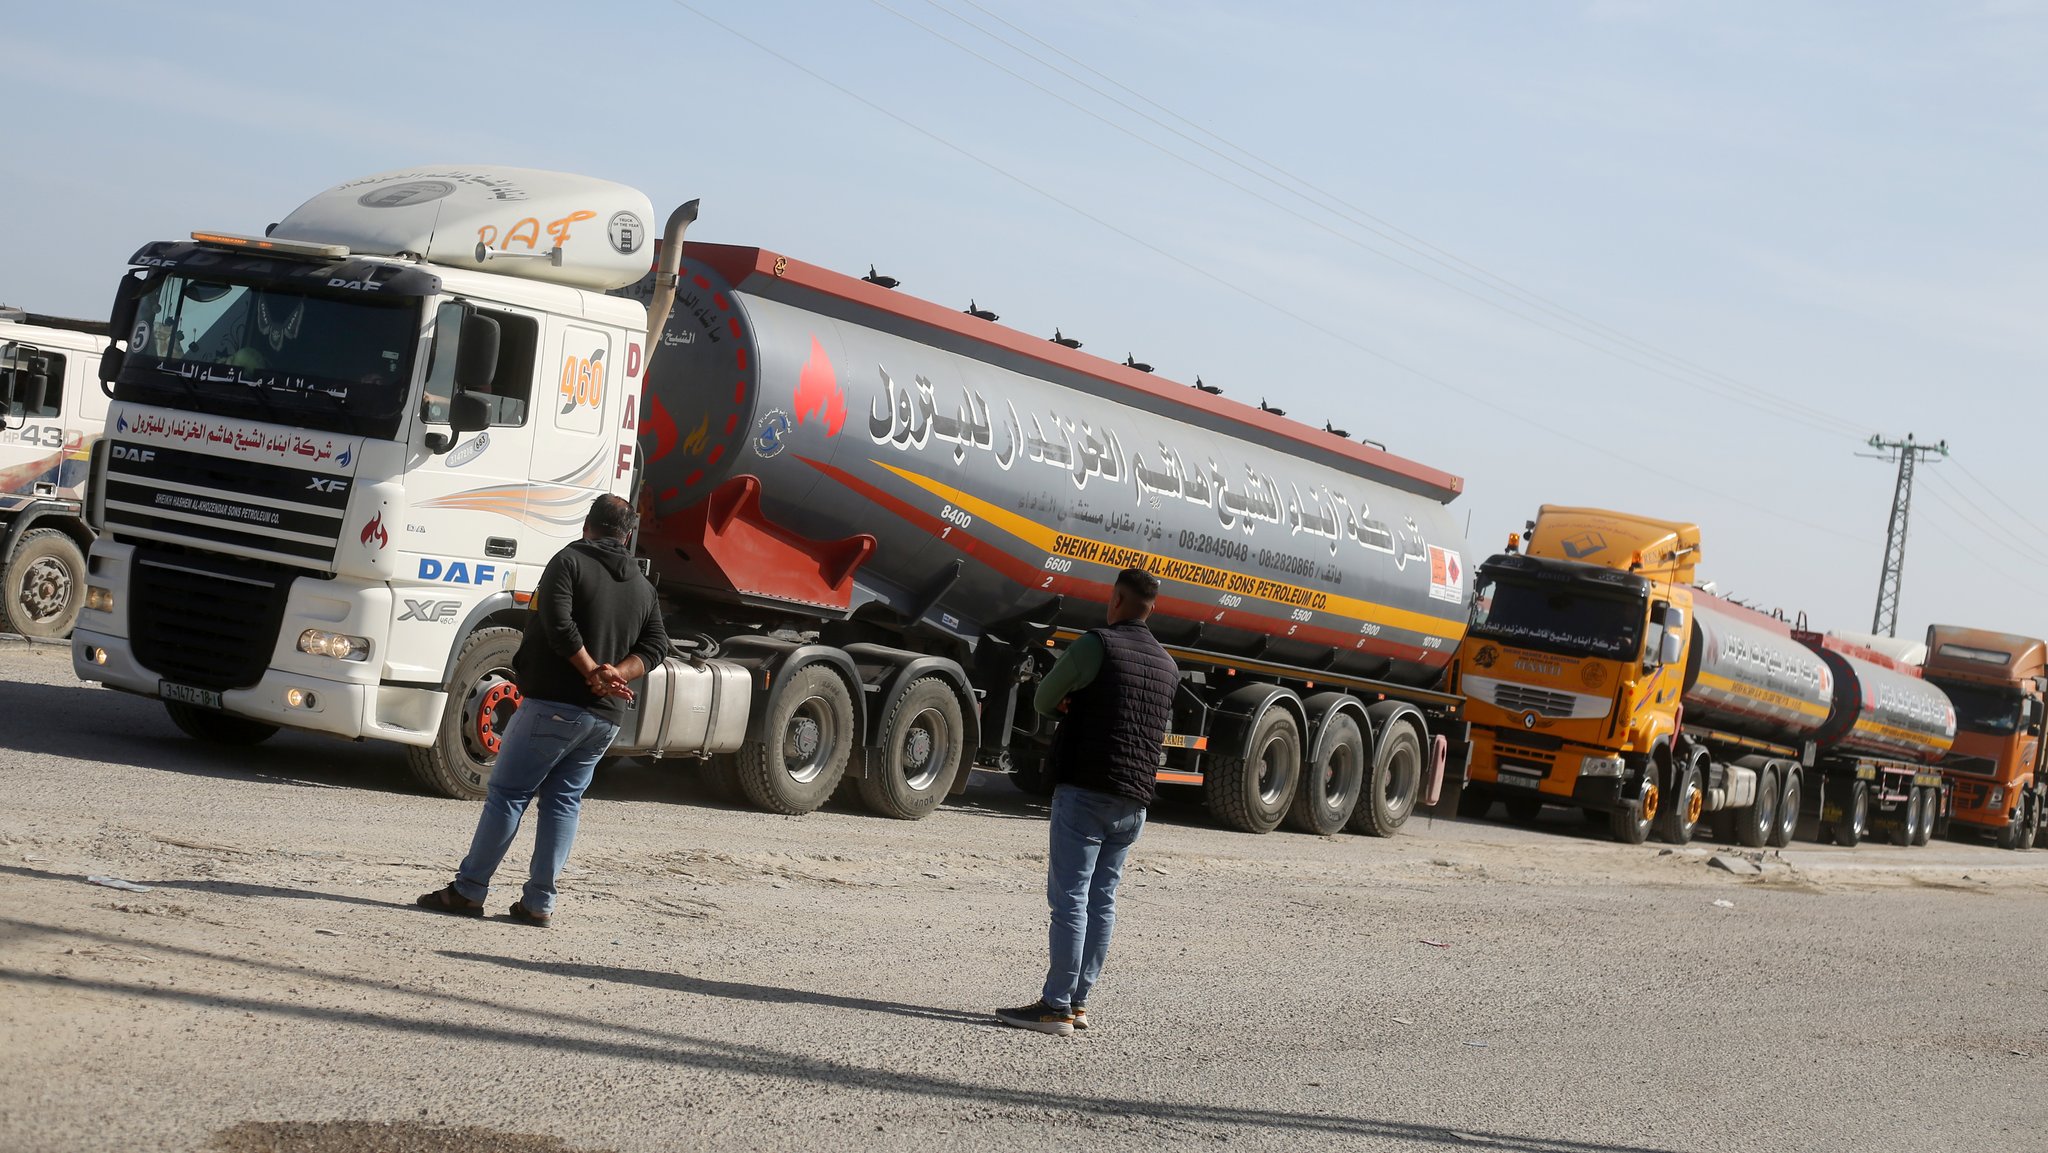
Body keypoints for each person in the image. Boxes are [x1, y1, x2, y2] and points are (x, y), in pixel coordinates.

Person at [417, 495, 669, 927]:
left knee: (509, 794)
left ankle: (469, 890)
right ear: (627, 535)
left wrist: (592, 670)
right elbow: (656, 647)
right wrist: (614, 674)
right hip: (604, 717)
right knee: (563, 803)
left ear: (588, 525)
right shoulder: (643, 587)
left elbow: (557, 624)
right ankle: (539, 903)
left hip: (554, 704)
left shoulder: (568, 561)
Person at [996, 566, 1178, 1035]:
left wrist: (1073, 701)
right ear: (1151, 606)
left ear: (1115, 599)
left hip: (1087, 790)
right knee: (1103, 901)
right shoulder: (1167, 665)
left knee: (1070, 901)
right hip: (1134, 798)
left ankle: (1055, 1006)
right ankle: (1078, 1003)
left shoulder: (1097, 644)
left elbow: (1043, 701)